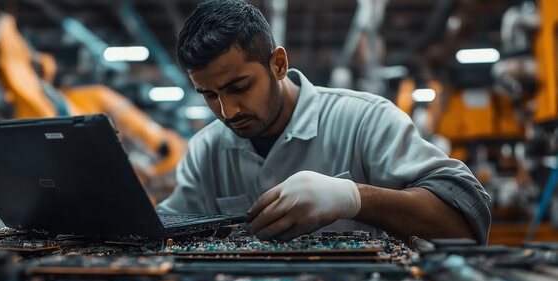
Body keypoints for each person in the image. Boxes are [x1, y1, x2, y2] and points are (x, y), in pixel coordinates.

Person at [157, 0, 491, 244]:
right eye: (209, 95)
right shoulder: (207, 149)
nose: (227, 111)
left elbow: (464, 223)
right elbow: (162, 230)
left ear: (278, 64)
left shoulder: (366, 119)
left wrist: (354, 198)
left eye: (239, 87)